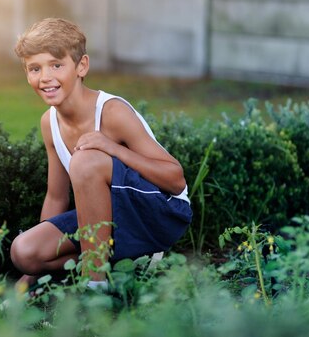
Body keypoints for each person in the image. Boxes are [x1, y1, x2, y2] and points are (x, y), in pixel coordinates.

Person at [10, 18, 191, 290]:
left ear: (82, 66)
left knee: (86, 159)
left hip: (161, 213)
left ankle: (95, 290)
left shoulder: (111, 112)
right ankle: (128, 260)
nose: (45, 77)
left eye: (56, 65)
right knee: (25, 252)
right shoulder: (49, 123)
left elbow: (176, 180)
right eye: (34, 68)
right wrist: (31, 278)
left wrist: (113, 148)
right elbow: (57, 197)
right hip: (107, 217)